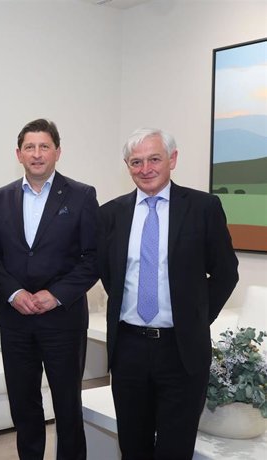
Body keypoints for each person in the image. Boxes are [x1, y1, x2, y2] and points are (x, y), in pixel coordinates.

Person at [97, 128, 239, 459]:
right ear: (127, 165)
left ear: (172, 160)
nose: (145, 168)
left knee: (175, 448)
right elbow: (109, 275)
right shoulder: (110, 214)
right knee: (133, 445)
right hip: (129, 347)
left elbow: (225, 272)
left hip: (182, 350)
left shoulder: (203, 207)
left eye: (154, 159)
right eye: (136, 162)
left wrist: (198, 316)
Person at [0, 119, 98, 460]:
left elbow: (93, 258)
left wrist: (56, 294)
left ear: (58, 152)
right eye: (30, 147)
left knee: (67, 406)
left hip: (62, 320)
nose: (37, 154)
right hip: (16, 321)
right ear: (18, 154)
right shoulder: (0, 198)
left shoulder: (82, 195)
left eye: (44, 146)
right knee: (24, 406)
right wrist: (14, 293)